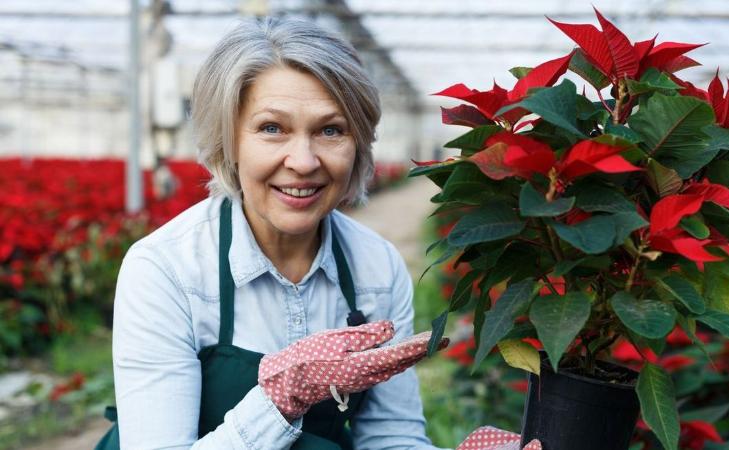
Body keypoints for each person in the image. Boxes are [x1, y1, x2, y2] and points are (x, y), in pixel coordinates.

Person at [95, 17, 540, 450]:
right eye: (272, 129)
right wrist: (278, 404)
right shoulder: (166, 269)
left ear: (359, 143)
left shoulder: (376, 267)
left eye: (331, 130)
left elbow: (388, 436)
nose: (304, 161)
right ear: (228, 141)